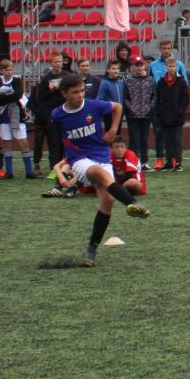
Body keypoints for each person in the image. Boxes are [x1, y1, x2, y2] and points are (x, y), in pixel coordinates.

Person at [49, 72, 151, 266]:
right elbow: (56, 139)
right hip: (78, 158)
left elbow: (118, 106)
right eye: (74, 92)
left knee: (107, 200)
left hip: (101, 155)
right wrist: (61, 167)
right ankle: (132, 202)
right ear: (64, 94)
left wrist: (113, 130)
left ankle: (91, 249)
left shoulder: (93, 105)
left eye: (81, 91)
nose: (79, 95)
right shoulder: (58, 115)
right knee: (98, 173)